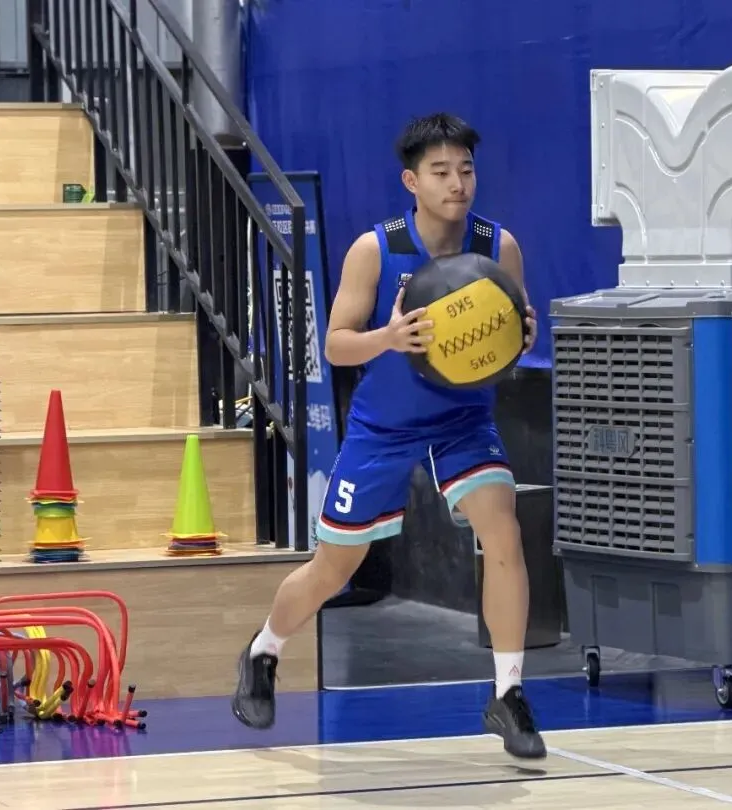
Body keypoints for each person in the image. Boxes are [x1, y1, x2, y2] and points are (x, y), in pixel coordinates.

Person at [231, 112, 545, 760]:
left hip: (463, 420)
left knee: (504, 530)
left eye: (466, 170)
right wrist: (390, 338)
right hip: (384, 426)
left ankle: (509, 693)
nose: (457, 183)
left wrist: (522, 334)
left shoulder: (499, 246)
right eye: (441, 172)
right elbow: (335, 346)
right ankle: (263, 651)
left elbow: (514, 334)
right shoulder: (375, 250)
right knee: (333, 569)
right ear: (412, 181)